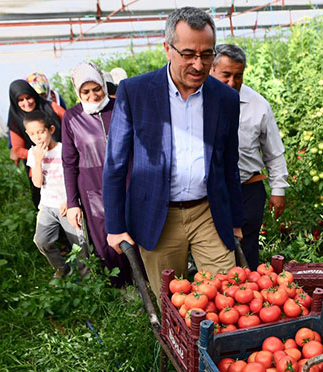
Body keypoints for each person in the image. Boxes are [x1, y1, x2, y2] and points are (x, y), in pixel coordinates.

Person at [103, 7, 243, 299]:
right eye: (188, 54)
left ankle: (224, 345)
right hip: (158, 213)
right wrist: (115, 227)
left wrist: (235, 221)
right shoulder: (135, 92)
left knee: (228, 294)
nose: (198, 64)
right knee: (171, 300)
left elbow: (229, 163)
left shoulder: (225, 98)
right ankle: (177, 345)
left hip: (208, 212)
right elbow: (115, 164)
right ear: (167, 48)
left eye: (206, 55)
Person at [210, 44, 289, 270]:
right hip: (211, 193)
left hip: (248, 189)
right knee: (212, 251)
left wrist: (278, 190)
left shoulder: (258, 105)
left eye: (238, 76)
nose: (232, 82)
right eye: (226, 75)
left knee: (247, 248)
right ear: (211, 70)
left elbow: (274, 151)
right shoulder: (199, 100)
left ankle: (248, 297)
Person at [62, 61, 135, 287]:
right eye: (86, 91)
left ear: (105, 85)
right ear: (77, 92)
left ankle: (148, 284)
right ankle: (121, 289)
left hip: (128, 180)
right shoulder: (72, 118)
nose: (93, 95)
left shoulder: (120, 107)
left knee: (135, 231)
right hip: (92, 187)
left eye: (97, 89)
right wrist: (73, 202)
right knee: (106, 239)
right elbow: (69, 162)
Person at [24, 110, 89, 280]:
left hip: (67, 205)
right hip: (47, 206)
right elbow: (37, 183)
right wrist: (38, 161)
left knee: (79, 245)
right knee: (41, 240)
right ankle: (62, 268)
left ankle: (87, 279)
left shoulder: (63, 149)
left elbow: (76, 177)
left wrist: (70, 201)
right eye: (32, 134)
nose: (38, 137)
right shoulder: (33, 153)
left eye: (41, 132)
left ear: (51, 130)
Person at [7, 79, 64, 208]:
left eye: (28, 97)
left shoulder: (50, 107)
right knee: (45, 206)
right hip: (39, 170)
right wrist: (37, 155)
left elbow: (71, 123)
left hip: (63, 162)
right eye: (20, 100)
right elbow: (17, 149)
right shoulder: (15, 119)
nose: (26, 103)